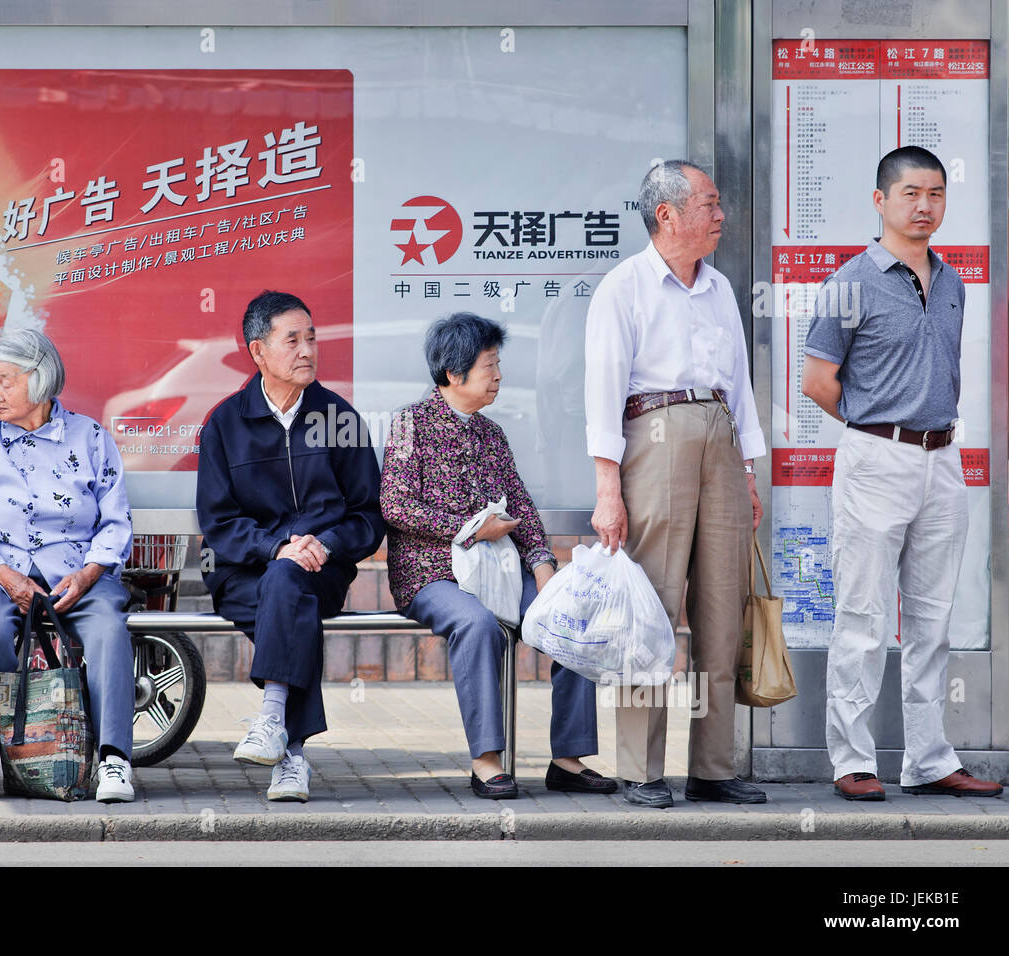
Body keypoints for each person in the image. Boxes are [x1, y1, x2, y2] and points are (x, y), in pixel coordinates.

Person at [802, 146, 1001, 800]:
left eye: (937, 194)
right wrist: (871, 424)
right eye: (911, 193)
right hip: (875, 457)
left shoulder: (951, 281)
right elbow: (816, 382)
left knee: (931, 619)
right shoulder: (850, 283)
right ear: (881, 200)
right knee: (862, 615)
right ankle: (852, 759)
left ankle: (928, 758)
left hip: (943, 459)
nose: (925, 205)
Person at [584, 159, 766, 808]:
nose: (720, 216)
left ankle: (714, 767)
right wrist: (609, 489)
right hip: (652, 435)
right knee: (650, 610)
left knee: (723, 607)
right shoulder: (624, 287)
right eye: (710, 205)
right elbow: (603, 391)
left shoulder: (717, 288)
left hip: (719, 435)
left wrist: (747, 470)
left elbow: (740, 385)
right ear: (668, 215)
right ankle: (639, 767)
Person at [382, 313, 611, 799]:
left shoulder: (491, 434)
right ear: (453, 374)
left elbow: (520, 503)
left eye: (497, 364)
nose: (499, 376)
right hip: (430, 575)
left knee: (567, 616)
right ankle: (487, 761)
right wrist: (470, 532)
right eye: (489, 366)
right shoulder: (410, 424)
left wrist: (543, 563)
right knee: (478, 625)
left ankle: (567, 760)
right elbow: (396, 505)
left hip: (499, 570)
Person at [197, 290, 384, 802]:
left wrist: (325, 543)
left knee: (290, 585)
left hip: (321, 569)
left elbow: (368, 516)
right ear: (257, 351)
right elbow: (218, 523)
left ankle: (273, 720)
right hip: (241, 571)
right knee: (285, 593)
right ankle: (292, 755)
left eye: (312, 337)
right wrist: (277, 545)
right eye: (292, 340)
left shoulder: (340, 419)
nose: (307, 350)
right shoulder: (224, 424)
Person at [0, 328, 136, 803]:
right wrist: (6, 578)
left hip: (78, 574)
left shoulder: (90, 437)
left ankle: (114, 761)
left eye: (6, 381)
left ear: (41, 379)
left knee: (110, 628)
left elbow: (115, 522)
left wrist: (89, 573)